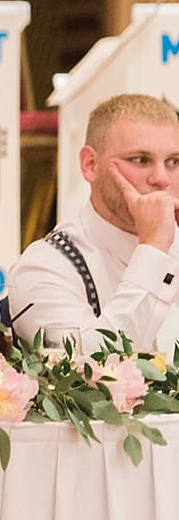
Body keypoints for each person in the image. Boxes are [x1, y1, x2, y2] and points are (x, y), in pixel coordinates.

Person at [9, 93, 179, 354]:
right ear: (90, 165)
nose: (161, 179)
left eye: (174, 162)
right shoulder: (45, 266)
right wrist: (153, 247)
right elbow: (90, 375)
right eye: (141, 160)